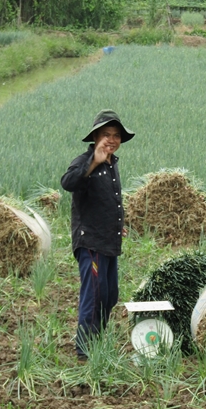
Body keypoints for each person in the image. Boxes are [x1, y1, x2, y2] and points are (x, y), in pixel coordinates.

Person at [60, 109, 135, 362]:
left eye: (116, 135)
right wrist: (93, 160)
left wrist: (118, 224)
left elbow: (109, 201)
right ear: (95, 137)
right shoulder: (85, 161)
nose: (111, 140)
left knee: (109, 294)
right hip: (90, 242)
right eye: (106, 135)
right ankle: (85, 351)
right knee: (93, 293)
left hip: (108, 241)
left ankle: (97, 343)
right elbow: (68, 182)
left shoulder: (112, 164)